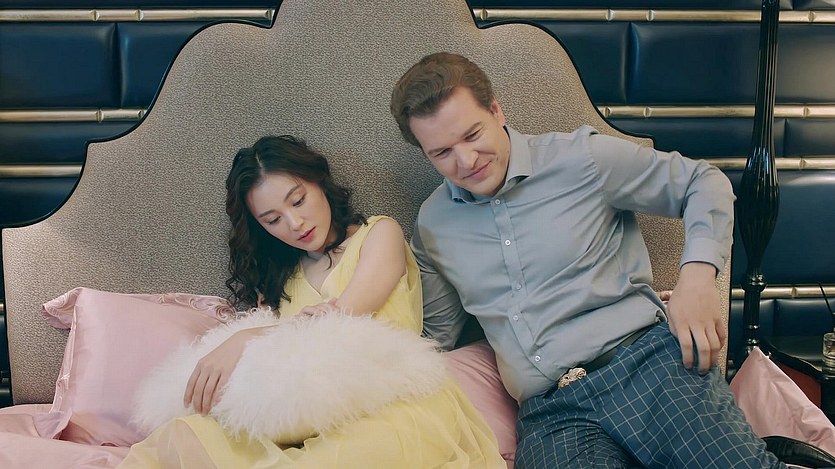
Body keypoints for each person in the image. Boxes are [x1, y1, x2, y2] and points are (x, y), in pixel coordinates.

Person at [390, 52, 787, 468]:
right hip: (551, 415)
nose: (466, 161)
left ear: (495, 109)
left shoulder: (582, 159)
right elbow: (433, 338)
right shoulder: (433, 225)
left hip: (648, 367)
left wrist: (698, 279)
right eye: (442, 153)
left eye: (473, 135)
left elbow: (703, 182)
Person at [118, 135, 505, 468]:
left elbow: (345, 314)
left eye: (298, 200)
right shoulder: (280, 278)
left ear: (319, 182)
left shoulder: (378, 233)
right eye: (273, 220)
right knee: (180, 436)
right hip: (308, 422)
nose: (295, 223)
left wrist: (243, 338)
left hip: (397, 406)